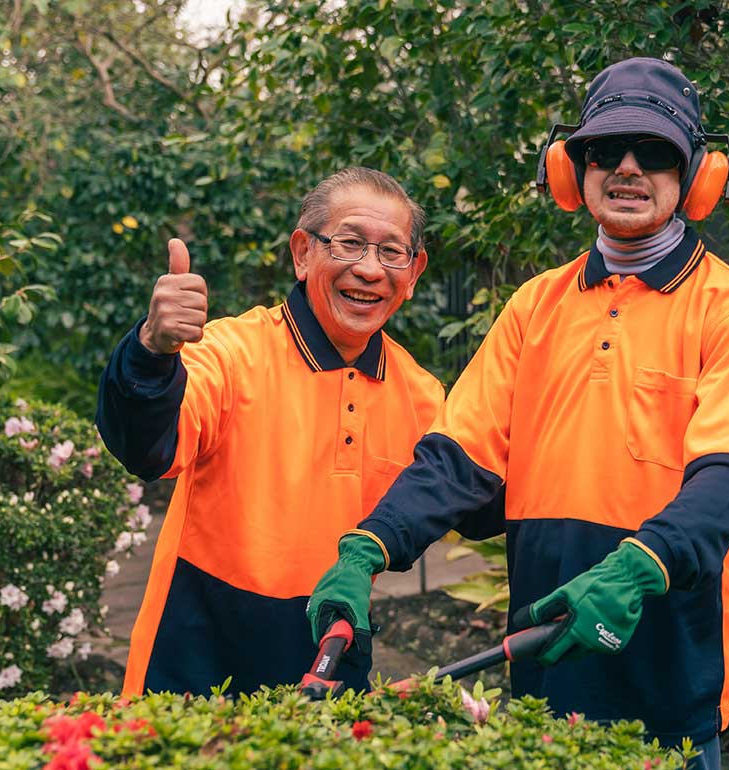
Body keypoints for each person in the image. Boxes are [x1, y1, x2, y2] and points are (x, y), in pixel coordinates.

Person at [305, 58, 729, 770]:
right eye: (604, 149)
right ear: (570, 169)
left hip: (665, 657)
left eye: (653, 152)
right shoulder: (535, 305)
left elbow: (728, 479)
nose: (626, 167)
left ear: (696, 176)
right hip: (545, 655)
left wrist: (639, 564)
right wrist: (369, 548)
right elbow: (458, 456)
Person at [97, 167, 489, 697]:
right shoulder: (231, 353)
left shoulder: (420, 395)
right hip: (196, 652)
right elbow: (148, 447)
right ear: (303, 253)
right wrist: (150, 351)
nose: (369, 269)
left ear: (414, 270)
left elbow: (476, 503)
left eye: (391, 252)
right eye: (349, 243)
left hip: (333, 648)